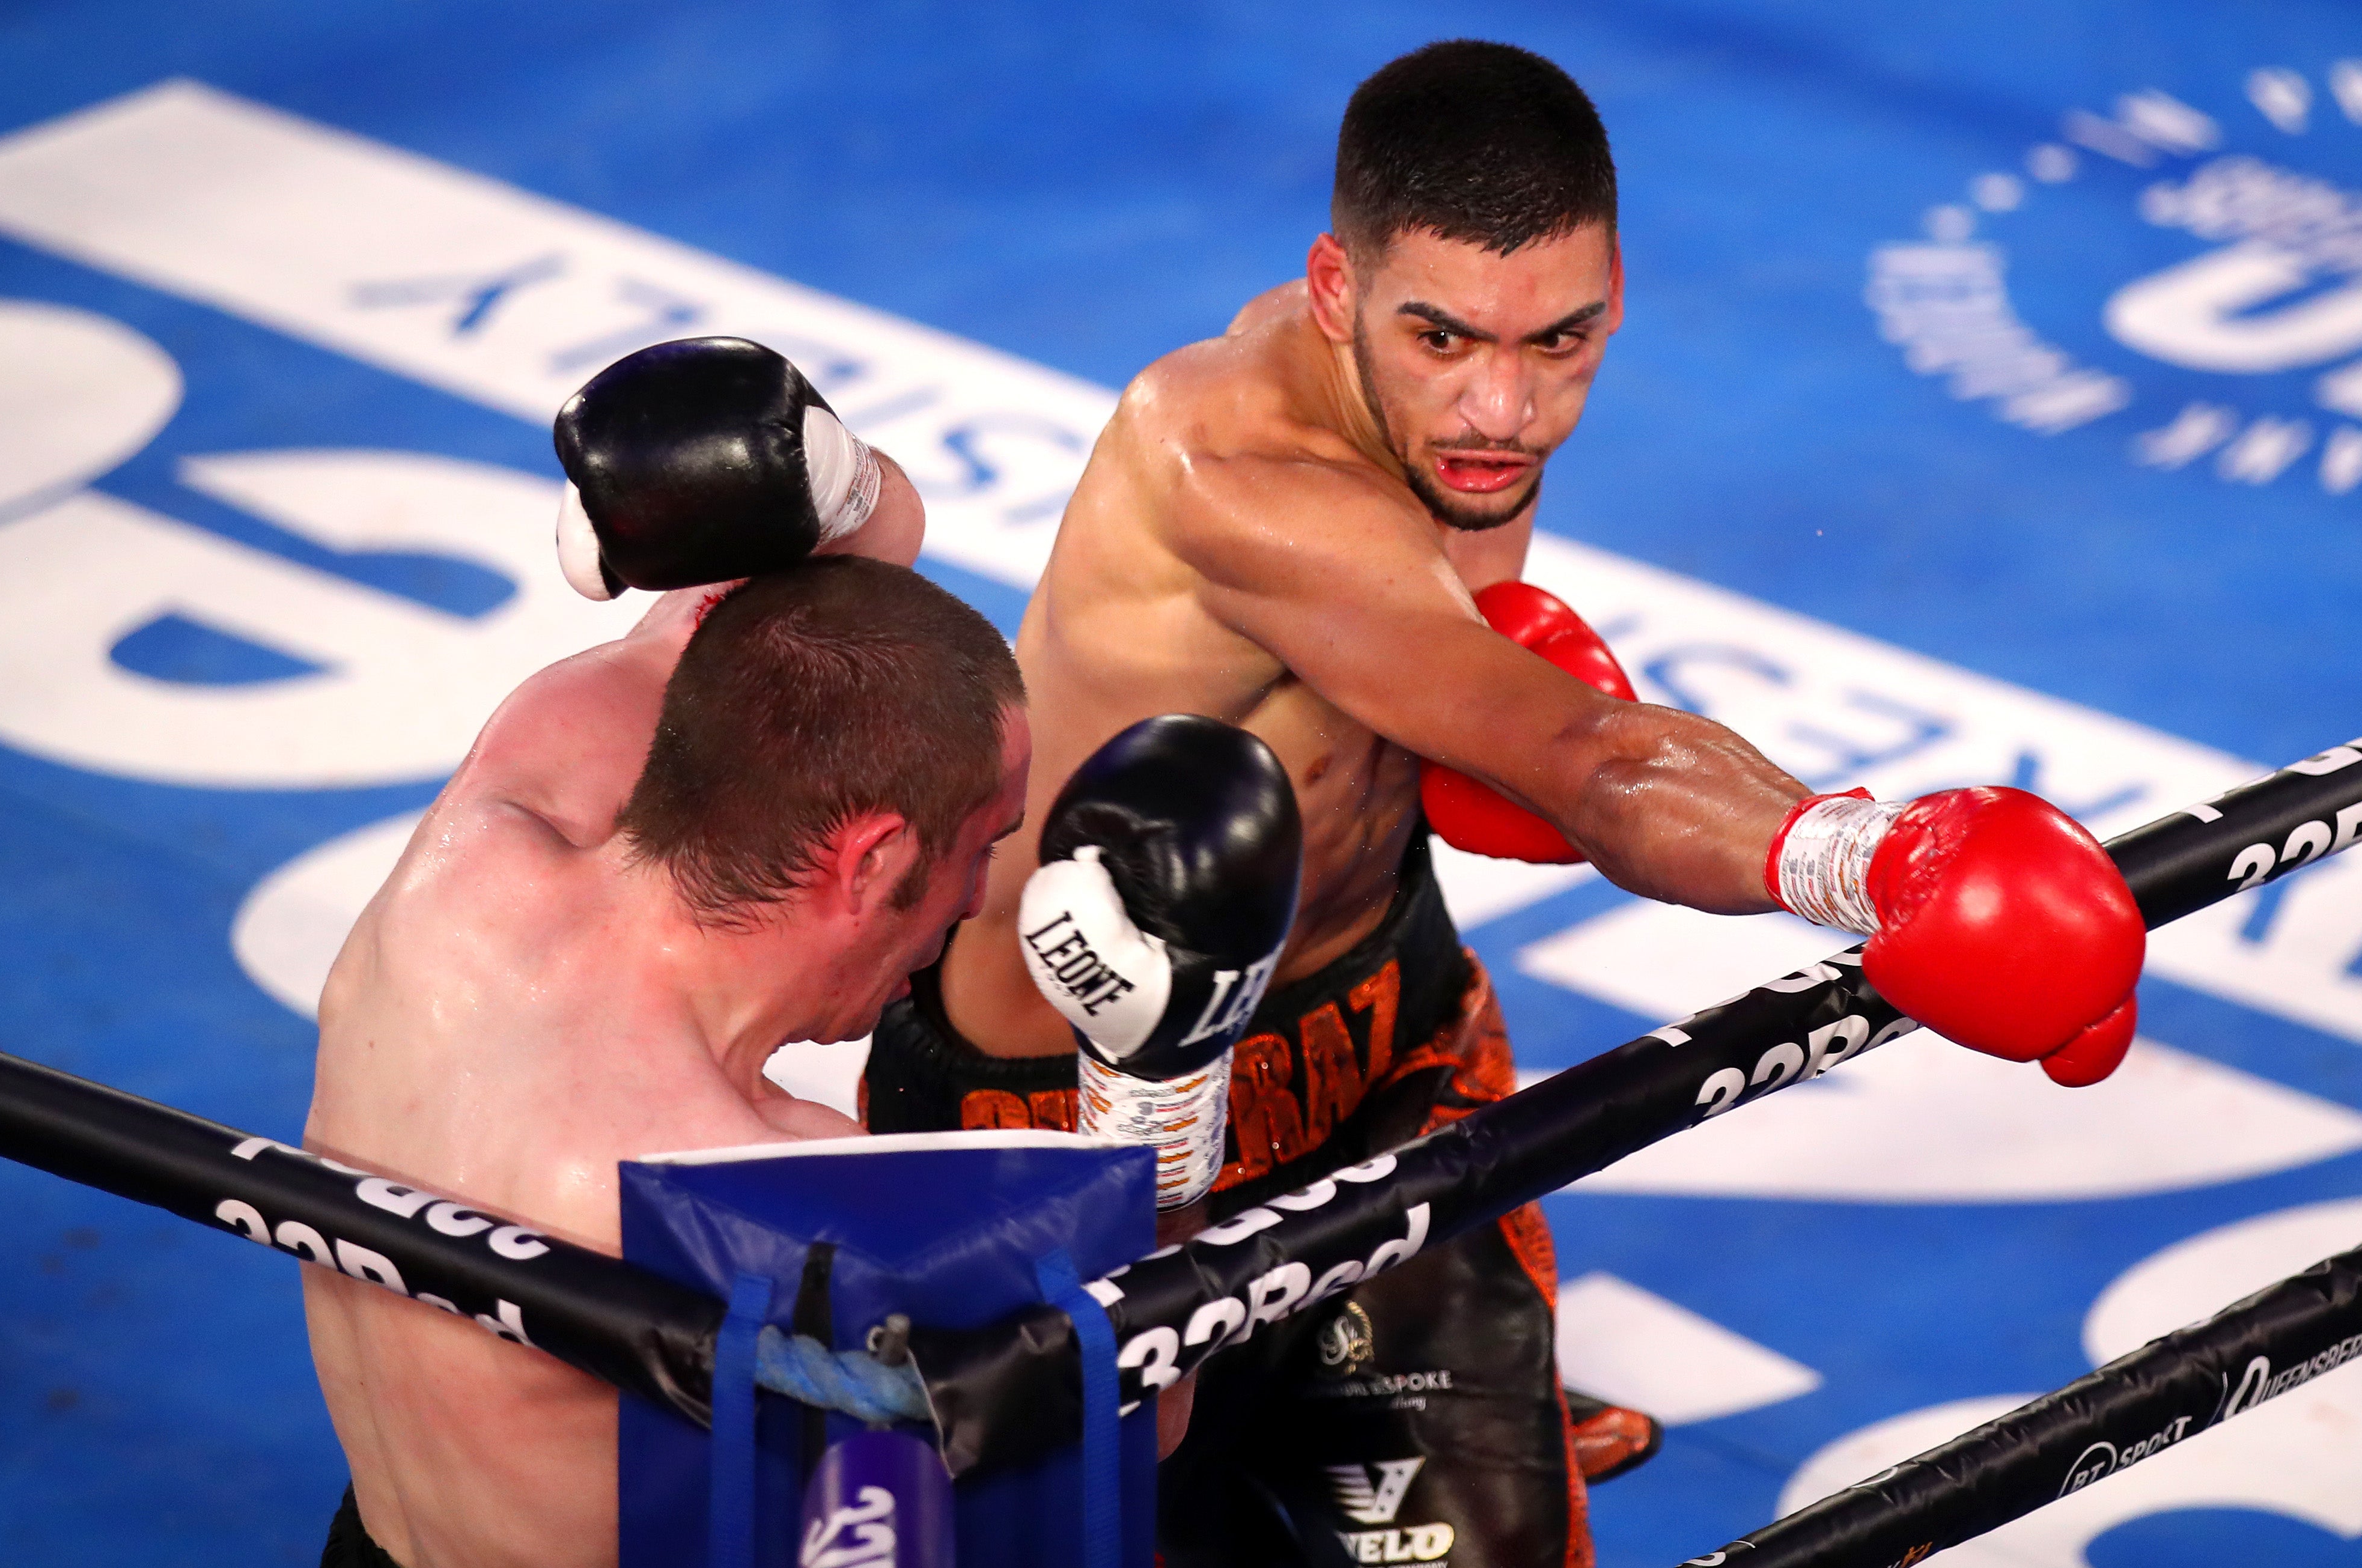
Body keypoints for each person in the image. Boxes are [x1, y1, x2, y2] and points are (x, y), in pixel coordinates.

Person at [862, 38, 2143, 1568]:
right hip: (1072, 1125)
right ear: (1338, 290)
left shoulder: (1458, 412)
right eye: (1446, 337)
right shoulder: (1235, 467)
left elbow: (1493, 703)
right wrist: (1885, 864)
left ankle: (1379, 1390)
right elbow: (1588, 761)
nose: (1507, 408)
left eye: (1564, 343)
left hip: (1382, 1036)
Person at [301, 340, 1030, 1568]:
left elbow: (808, 620)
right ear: (870, 861)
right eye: (980, 847)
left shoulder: (504, 817)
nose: (977, 899)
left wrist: (826, 486)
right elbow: (1135, 1411)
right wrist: (1169, 1072)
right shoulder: (749, 1190)